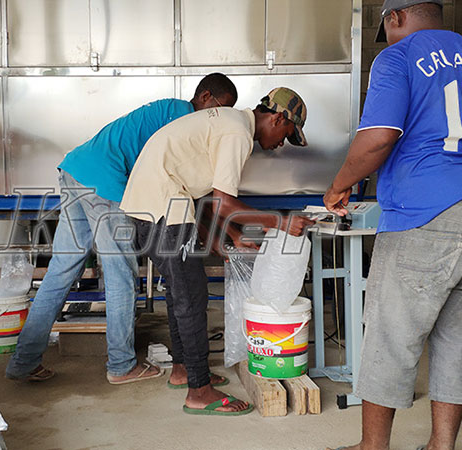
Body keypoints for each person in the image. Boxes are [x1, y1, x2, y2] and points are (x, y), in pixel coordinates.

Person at [6, 73, 238, 384]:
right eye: (219, 108)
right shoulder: (183, 117)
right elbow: (163, 172)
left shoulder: (167, 110)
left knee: (60, 272)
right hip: (104, 182)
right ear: (205, 97)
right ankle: (121, 364)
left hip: (76, 170)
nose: (218, 117)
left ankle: (23, 362)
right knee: (121, 274)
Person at [120, 87, 315, 415]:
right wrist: (281, 222)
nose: (281, 142)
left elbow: (209, 199)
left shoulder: (228, 122)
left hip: (149, 209)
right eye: (286, 134)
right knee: (192, 297)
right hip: (165, 208)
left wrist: (229, 239)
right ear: (278, 117)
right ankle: (199, 391)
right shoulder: (237, 132)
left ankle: (184, 371)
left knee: (179, 294)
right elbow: (224, 202)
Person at [323, 1, 462, 449]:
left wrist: (340, 185)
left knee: (389, 335)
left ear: (395, 16)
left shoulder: (397, 57)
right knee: (456, 340)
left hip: (424, 212)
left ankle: (372, 447)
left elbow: (379, 136)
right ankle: (442, 445)